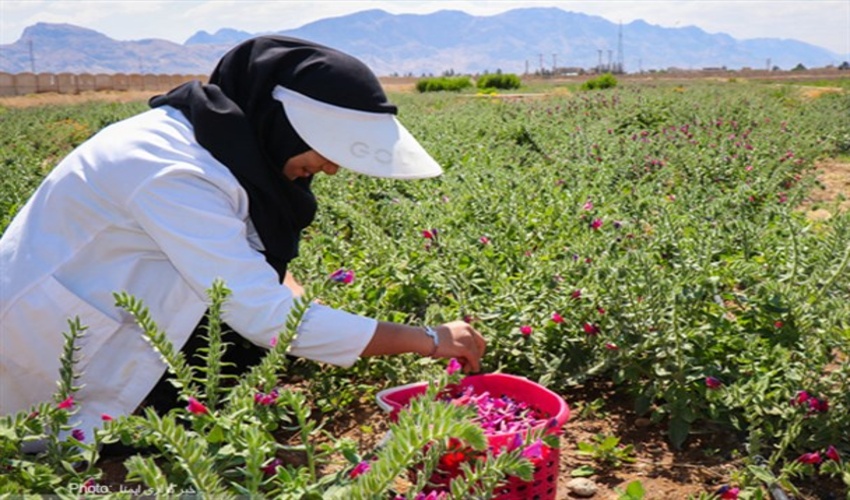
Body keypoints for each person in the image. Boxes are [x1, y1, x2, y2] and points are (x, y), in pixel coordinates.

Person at [0, 36, 486, 447]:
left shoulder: (226, 142)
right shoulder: (169, 169)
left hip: (120, 312)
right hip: (52, 347)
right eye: (327, 147)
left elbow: (252, 258)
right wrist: (429, 340)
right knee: (65, 455)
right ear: (286, 122)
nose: (333, 168)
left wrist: (299, 306)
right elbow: (263, 316)